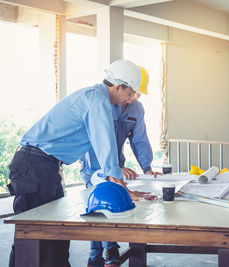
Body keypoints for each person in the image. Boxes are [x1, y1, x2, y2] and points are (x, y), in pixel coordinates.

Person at [6, 59, 155, 267]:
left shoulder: (97, 98)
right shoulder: (96, 99)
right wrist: (126, 192)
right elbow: (106, 146)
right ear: (118, 86)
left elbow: (104, 147)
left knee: (56, 234)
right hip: (33, 165)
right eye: (130, 93)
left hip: (47, 165)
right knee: (32, 236)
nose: (132, 99)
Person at [80, 65, 162, 267]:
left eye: (138, 94)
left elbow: (140, 138)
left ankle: (110, 250)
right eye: (132, 92)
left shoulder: (136, 109)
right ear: (122, 87)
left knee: (115, 205)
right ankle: (98, 253)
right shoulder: (102, 103)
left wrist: (147, 166)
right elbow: (95, 139)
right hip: (93, 164)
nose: (134, 97)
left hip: (117, 164)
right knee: (99, 207)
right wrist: (111, 169)